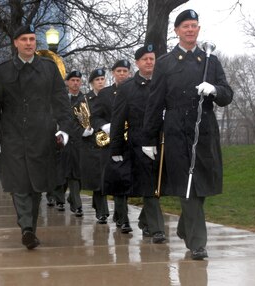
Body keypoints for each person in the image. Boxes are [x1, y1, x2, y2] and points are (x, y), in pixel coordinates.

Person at [141, 9, 233, 259]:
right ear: (176, 31)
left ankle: (186, 227)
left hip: (204, 133)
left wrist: (214, 88)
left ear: (199, 29)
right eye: (185, 26)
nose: (190, 30)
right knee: (188, 188)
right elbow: (155, 102)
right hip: (176, 133)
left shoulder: (211, 61)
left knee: (200, 188)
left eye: (194, 26)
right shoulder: (166, 63)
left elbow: (227, 94)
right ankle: (198, 245)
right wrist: (149, 138)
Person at [0, 24, 72, 250]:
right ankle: (26, 228)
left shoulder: (48, 68)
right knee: (20, 184)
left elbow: (61, 101)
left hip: (42, 134)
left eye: (32, 39)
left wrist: (64, 128)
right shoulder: (2, 71)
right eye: (23, 39)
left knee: (36, 185)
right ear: (15, 43)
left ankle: (29, 230)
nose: (29, 43)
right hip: (12, 134)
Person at [110, 45, 166, 243]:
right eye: (145, 59)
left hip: (163, 141)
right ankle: (158, 229)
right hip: (138, 143)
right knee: (149, 185)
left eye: (152, 58)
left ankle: (145, 221)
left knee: (159, 185)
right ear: (137, 63)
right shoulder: (127, 88)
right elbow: (117, 120)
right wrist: (116, 148)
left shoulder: (164, 83)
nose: (149, 62)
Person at [92, 60, 132, 232]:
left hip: (132, 141)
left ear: (129, 72)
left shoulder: (136, 89)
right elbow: (95, 116)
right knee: (118, 179)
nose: (122, 73)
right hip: (112, 142)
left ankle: (121, 214)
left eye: (125, 70)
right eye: (119, 70)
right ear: (113, 73)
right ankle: (123, 219)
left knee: (132, 181)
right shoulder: (105, 94)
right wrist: (104, 125)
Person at [77, 68, 108, 223]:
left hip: (107, 142)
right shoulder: (84, 100)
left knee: (104, 178)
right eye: (97, 80)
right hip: (91, 145)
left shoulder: (110, 96)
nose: (100, 82)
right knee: (97, 179)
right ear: (91, 83)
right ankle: (102, 211)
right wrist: (83, 131)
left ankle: (101, 208)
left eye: (102, 79)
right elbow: (76, 120)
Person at [53, 70, 85, 216]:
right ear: (67, 83)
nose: (75, 83)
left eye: (78, 80)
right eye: (72, 80)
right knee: (60, 172)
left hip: (78, 140)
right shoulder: (61, 99)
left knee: (75, 173)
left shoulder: (85, 99)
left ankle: (76, 203)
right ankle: (59, 199)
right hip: (62, 140)